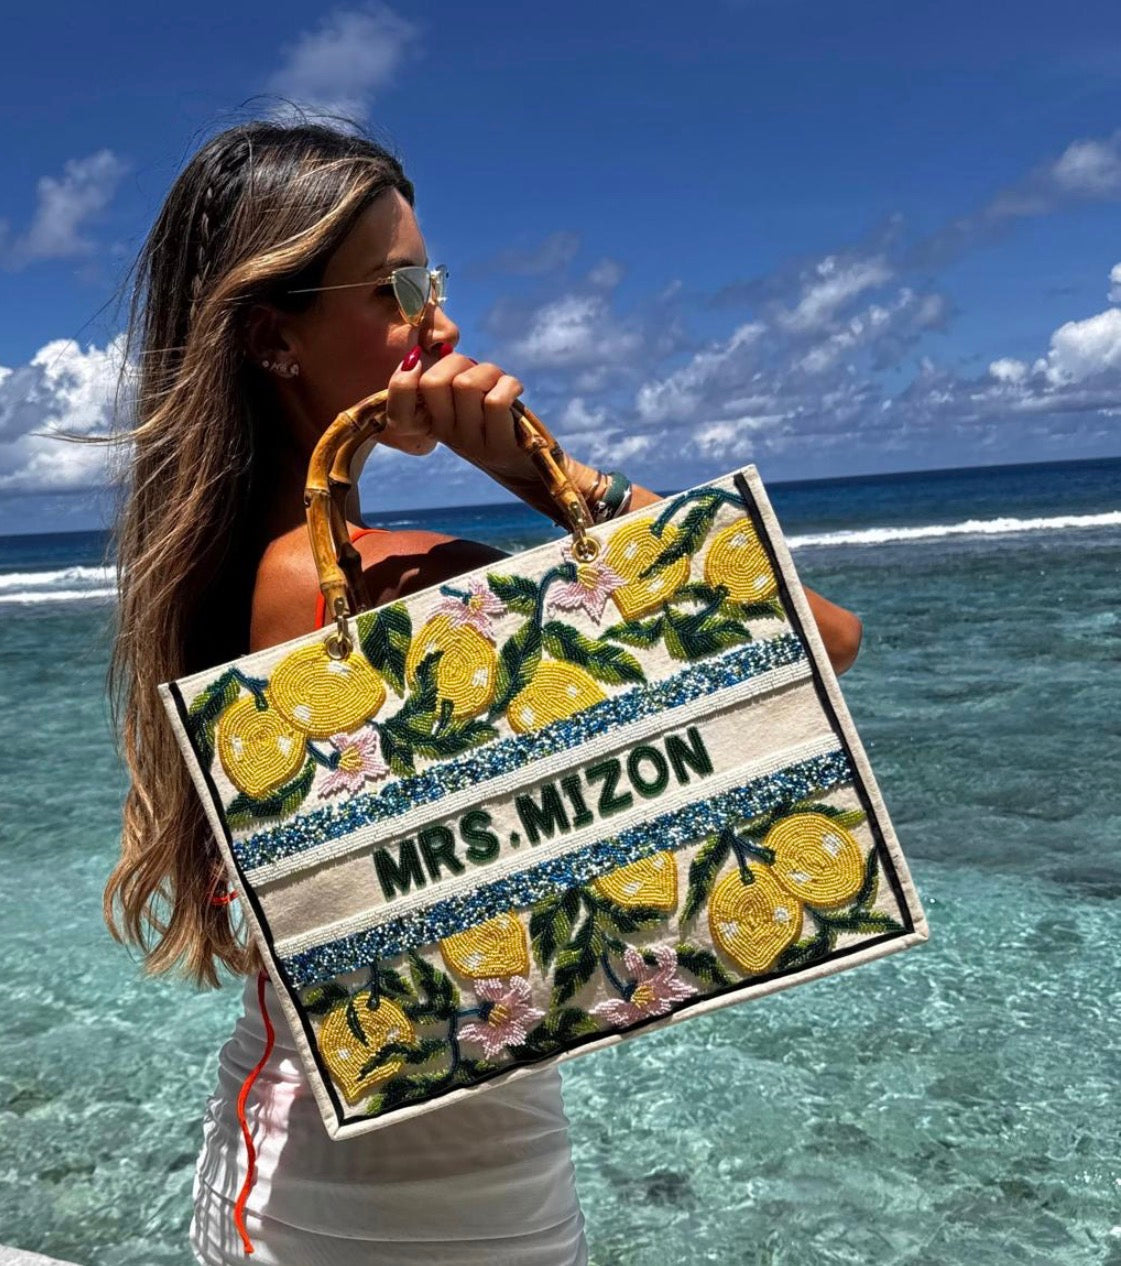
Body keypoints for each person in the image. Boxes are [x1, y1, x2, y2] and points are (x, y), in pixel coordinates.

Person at [101, 119, 864, 1265]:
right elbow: (819, 638)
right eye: (395, 290)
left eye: (435, 283)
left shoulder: (273, 575)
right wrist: (540, 474)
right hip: (374, 1210)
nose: (440, 323)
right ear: (273, 338)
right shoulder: (358, 582)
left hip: (386, 1173)